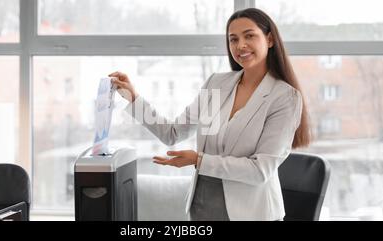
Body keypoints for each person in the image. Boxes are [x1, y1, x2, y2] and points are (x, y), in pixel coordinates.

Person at [109, 8, 311, 221]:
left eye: (249, 35)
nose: (240, 45)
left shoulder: (284, 98)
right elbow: (173, 133)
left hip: (252, 214)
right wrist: (133, 98)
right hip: (202, 208)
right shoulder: (217, 84)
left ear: (269, 39)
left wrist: (199, 160)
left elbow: (259, 170)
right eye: (233, 39)